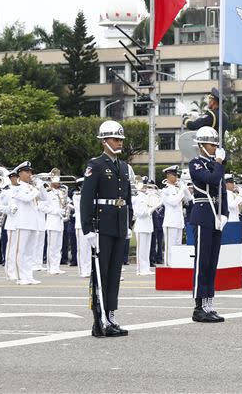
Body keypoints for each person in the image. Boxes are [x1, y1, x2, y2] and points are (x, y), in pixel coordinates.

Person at [80, 120, 133, 337]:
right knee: (100, 274)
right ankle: (99, 320)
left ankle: (111, 317)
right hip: (102, 226)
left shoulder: (123, 166)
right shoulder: (96, 165)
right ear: (104, 141)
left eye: (120, 139)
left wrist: (129, 224)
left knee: (114, 274)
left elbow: (127, 197)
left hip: (119, 224)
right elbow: (86, 199)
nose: (118, 143)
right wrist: (88, 229)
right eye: (114, 139)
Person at [188, 126, 229, 323]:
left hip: (216, 216)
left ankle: (208, 303)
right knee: (202, 262)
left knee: (212, 263)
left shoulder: (215, 164)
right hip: (203, 214)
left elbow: (222, 191)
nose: (214, 148)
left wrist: (225, 214)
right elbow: (212, 180)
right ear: (202, 145)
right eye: (211, 145)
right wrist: (219, 162)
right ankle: (198, 307)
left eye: (215, 145)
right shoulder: (196, 164)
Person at [10, 163, 46, 285]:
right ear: (20, 173)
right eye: (27, 172)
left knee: (30, 252)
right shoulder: (16, 187)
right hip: (22, 222)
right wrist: (36, 189)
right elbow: (26, 199)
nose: (30, 174)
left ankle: (28, 275)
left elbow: (45, 198)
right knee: (21, 251)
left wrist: (41, 187)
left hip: (33, 222)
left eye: (31, 172)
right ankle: (20, 277)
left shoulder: (32, 187)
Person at [161, 166, 190, 266]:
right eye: (174, 175)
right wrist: (181, 190)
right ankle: (168, 266)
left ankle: (176, 266)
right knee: (170, 247)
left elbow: (189, 199)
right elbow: (173, 202)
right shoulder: (165, 190)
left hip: (179, 222)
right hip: (170, 222)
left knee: (178, 247)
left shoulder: (178, 188)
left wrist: (184, 188)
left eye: (177, 175)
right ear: (168, 176)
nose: (176, 177)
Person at [42, 173, 67, 275]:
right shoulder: (47, 193)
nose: (58, 181)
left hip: (60, 222)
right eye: (55, 180)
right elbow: (42, 207)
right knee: (52, 247)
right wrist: (56, 211)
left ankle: (56, 266)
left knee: (58, 246)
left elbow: (64, 203)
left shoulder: (61, 192)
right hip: (52, 222)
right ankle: (50, 267)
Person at [132, 178, 154, 276]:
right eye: (144, 186)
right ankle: (140, 269)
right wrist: (149, 210)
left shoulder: (148, 197)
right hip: (141, 226)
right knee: (141, 250)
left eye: (146, 186)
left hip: (148, 225)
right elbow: (137, 213)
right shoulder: (137, 198)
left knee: (146, 249)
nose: (146, 188)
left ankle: (146, 268)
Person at [2, 170, 19, 281]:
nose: (16, 179)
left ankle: (17, 271)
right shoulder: (6, 192)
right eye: (15, 177)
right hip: (12, 224)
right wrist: (9, 209)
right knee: (11, 250)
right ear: (11, 178)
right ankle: (9, 272)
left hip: (22, 224)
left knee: (19, 251)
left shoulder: (23, 189)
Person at [72, 177, 91, 278]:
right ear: (80, 187)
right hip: (80, 225)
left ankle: (89, 269)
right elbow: (81, 208)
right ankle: (83, 270)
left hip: (90, 225)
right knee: (82, 249)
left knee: (89, 249)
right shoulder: (77, 196)